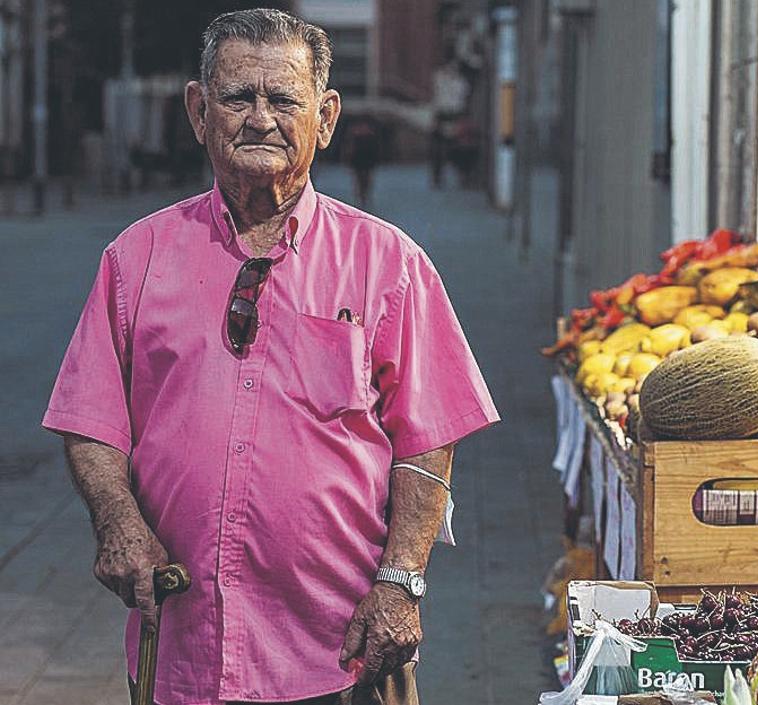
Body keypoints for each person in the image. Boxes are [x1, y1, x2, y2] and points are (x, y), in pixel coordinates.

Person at [41, 9, 498, 705]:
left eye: (283, 98)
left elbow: (428, 442)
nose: (260, 118)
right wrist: (117, 518)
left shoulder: (390, 264)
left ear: (326, 115)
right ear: (200, 111)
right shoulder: (135, 258)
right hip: (182, 653)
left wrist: (402, 580)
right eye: (237, 97)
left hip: (341, 652)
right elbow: (91, 417)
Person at [429, 50, 470, 189]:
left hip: (455, 113)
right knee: (437, 149)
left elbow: (462, 99)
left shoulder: (461, 82)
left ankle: (461, 175)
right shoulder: (439, 78)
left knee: (458, 148)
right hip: (442, 113)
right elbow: (436, 97)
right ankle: (437, 177)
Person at [345, 116, 381, 208]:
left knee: (366, 180)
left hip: (366, 161)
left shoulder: (369, 136)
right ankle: (361, 198)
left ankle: (365, 197)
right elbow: (350, 149)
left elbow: (375, 150)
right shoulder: (356, 136)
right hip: (359, 161)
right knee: (359, 180)